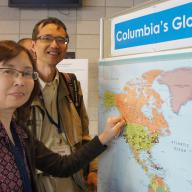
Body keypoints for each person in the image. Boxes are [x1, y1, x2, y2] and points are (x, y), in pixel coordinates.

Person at [0, 40, 125, 192]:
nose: (20, 81)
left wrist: (104, 137)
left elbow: (62, 166)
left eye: (26, 73)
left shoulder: (20, 133)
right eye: (8, 71)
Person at [30, 17, 99, 191]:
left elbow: (84, 134)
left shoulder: (71, 84)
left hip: (71, 177)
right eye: (46, 38)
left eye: (61, 40)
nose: (55, 45)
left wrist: (93, 169)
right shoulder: (21, 88)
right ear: (33, 46)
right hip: (34, 180)